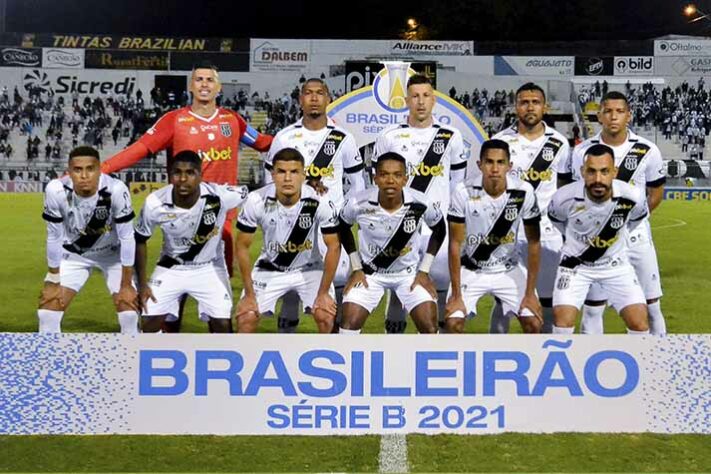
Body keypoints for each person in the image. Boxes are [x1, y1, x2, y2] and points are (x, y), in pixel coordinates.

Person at [101, 62, 272, 332]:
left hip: (219, 213)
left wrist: (300, 139)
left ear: (218, 87)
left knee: (217, 287)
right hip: (181, 210)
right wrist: (103, 169)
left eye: (210, 80)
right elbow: (141, 148)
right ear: (191, 86)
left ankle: (216, 354)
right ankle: (169, 343)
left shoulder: (232, 120)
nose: (204, 84)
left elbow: (263, 143)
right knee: (175, 284)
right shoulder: (175, 120)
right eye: (199, 79)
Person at [265, 78, 366, 333]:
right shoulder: (284, 137)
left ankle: (338, 348)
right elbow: (270, 181)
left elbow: (357, 185)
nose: (313, 98)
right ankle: (286, 346)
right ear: (300, 99)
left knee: (338, 290)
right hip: (292, 228)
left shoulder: (342, 138)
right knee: (290, 291)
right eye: (308, 93)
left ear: (328, 98)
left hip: (330, 228)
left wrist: (346, 218)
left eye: (319, 93)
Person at [562, 91, 666, 335]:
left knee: (651, 305)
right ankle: (591, 361)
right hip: (596, 242)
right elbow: (576, 193)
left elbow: (656, 193)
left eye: (619, 111)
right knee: (593, 308)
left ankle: (658, 362)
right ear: (599, 115)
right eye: (608, 111)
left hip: (636, 239)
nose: (613, 117)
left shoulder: (647, 150)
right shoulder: (582, 151)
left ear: (628, 115)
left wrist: (628, 223)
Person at [373, 74, 467, 333]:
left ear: (434, 100)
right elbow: (379, 184)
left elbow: (457, 185)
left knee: (438, 290)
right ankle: (394, 351)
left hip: (438, 230)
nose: (421, 102)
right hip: (398, 228)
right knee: (397, 291)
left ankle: (438, 353)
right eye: (415, 96)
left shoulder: (451, 136)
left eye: (426, 96)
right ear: (406, 101)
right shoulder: (389, 136)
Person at [134, 151, 249, 333]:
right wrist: (141, 284)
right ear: (170, 175)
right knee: (148, 321)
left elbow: (252, 194)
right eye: (177, 173)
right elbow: (140, 240)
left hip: (209, 267)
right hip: (170, 267)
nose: (182, 178)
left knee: (222, 325)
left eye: (190, 173)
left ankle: (220, 359)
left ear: (200, 175)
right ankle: (156, 358)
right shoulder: (154, 203)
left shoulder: (219, 196)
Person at [489, 83, 569, 333]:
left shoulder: (559, 143)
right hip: (508, 233)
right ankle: (495, 353)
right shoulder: (500, 141)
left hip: (547, 233)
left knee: (547, 300)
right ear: (516, 107)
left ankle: (543, 354)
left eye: (535, 102)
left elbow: (564, 189)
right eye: (524, 102)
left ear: (545, 107)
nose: (530, 107)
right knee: (504, 300)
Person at [234, 148, 341, 334]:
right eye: (281, 172)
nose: (287, 178)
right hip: (270, 268)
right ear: (273, 174)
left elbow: (334, 246)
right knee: (246, 317)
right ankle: (249, 361)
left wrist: (323, 294)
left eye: (294, 172)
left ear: (303, 175)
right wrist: (249, 295)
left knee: (325, 315)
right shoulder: (255, 200)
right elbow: (242, 247)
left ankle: (330, 361)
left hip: (310, 268)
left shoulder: (319, 201)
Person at [338, 152, 446, 334]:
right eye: (384, 174)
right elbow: (342, 226)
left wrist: (424, 270)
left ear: (405, 179)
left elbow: (440, 229)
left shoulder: (421, 202)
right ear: (375, 178)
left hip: (409, 275)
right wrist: (356, 268)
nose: (390, 180)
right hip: (370, 275)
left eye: (397, 175)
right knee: (348, 326)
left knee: (429, 328)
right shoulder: (358, 202)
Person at [549, 144, 649, 335]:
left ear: (615, 172)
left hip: (616, 266)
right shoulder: (563, 198)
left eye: (604, 172)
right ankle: (565, 363)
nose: (598, 179)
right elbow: (557, 221)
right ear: (582, 172)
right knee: (563, 323)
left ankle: (638, 363)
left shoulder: (633, 197)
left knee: (639, 323)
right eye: (591, 172)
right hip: (574, 268)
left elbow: (634, 221)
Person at [37, 146, 139, 334]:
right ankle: (49, 361)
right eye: (77, 170)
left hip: (112, 256)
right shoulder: (55, 189)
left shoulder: (116, 189)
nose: (84, 175)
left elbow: (127, 237)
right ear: (68, 172)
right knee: (47, 311)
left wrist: (126, 285)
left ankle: (130, 360)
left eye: (90, 169)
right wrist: (53, 279)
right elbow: (54, 236)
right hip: (74, 256)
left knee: (129, 312)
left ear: (99, 170)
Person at [445, 139, 542, 334]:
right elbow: (454, 244)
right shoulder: (462, 191)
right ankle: (463, 364)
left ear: (509, 166)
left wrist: (530, 293)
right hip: (472, 269)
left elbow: (534, 242)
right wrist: (456, 295)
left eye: (500, 162)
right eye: (489, 162)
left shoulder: (524, 191)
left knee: (533, 323)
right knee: (453, 323)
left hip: (509, 269)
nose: (495, 168)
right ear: (480, 165)